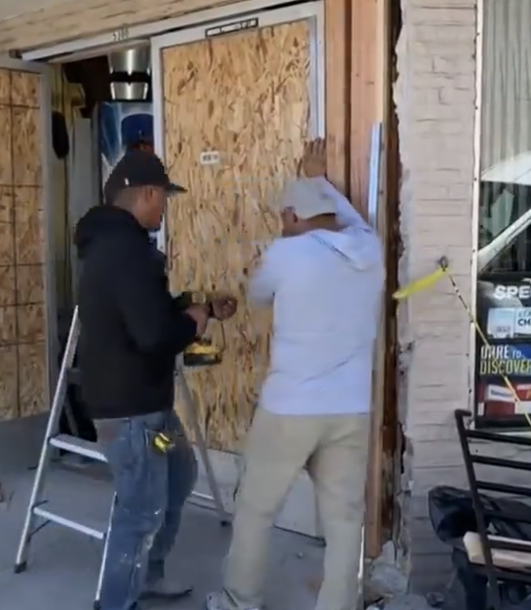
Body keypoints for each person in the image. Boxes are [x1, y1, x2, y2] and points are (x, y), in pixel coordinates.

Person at [205, 139, 383, 610]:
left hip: (292, 408)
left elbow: (259, 295)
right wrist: (319, 182)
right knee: (345, 519)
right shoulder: (370, 249)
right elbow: (348, 219)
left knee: (256, 509)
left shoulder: (287, 255)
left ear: (289, 217)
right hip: (350, 407)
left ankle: (239, 601)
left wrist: (307, 193)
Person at [74, 149, 238, 610]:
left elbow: (140, 313)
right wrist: (194, 321)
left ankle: (149, 574)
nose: (165, 206)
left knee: (179, 474)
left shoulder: (114, 245)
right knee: (140, 510)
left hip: (150, 415)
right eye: (163, 197)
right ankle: (115, 603)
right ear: (148, 193)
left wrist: (196, 304)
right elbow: (155, 336)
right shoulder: (128, 251)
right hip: (131, 418)